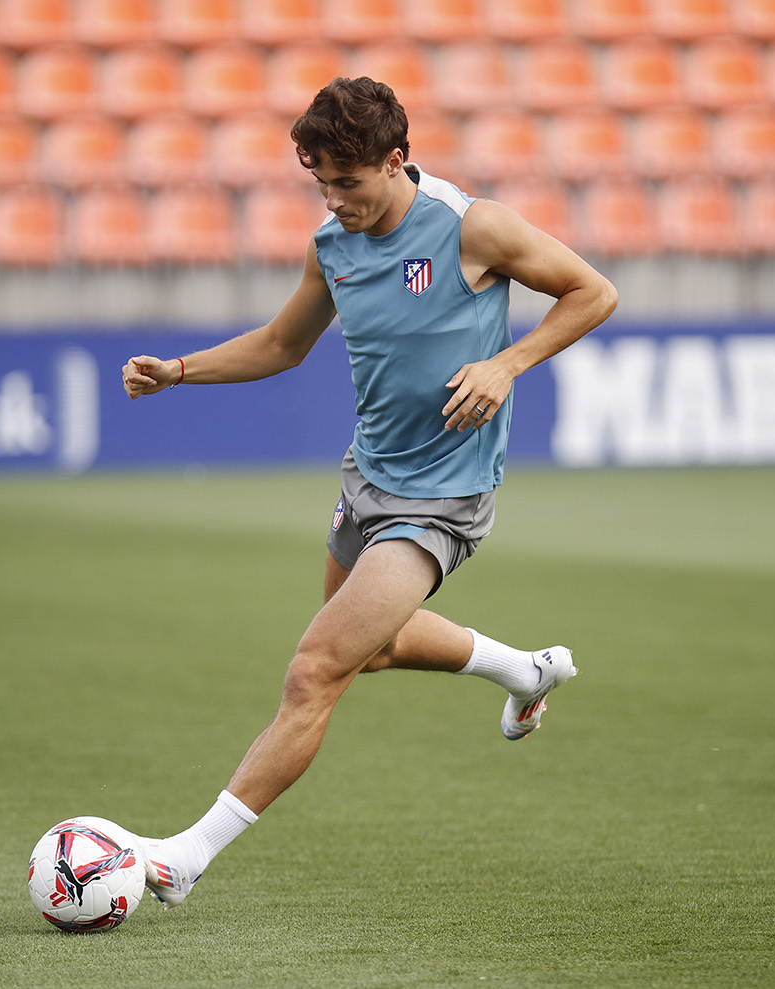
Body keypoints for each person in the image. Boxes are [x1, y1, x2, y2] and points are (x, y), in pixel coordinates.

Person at [120, 77, 618, 908]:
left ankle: (186, 857)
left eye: (347, 182)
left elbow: (593, 291)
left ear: (395, 160)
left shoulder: (472, 228)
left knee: (315, 669)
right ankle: (524, 672)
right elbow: (282, 344)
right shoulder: (332, 244)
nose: (333, 200)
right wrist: (178, 370)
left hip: (443, 497)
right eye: (321, 183)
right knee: (372, 646)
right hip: (368, 478)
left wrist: (506, 364)